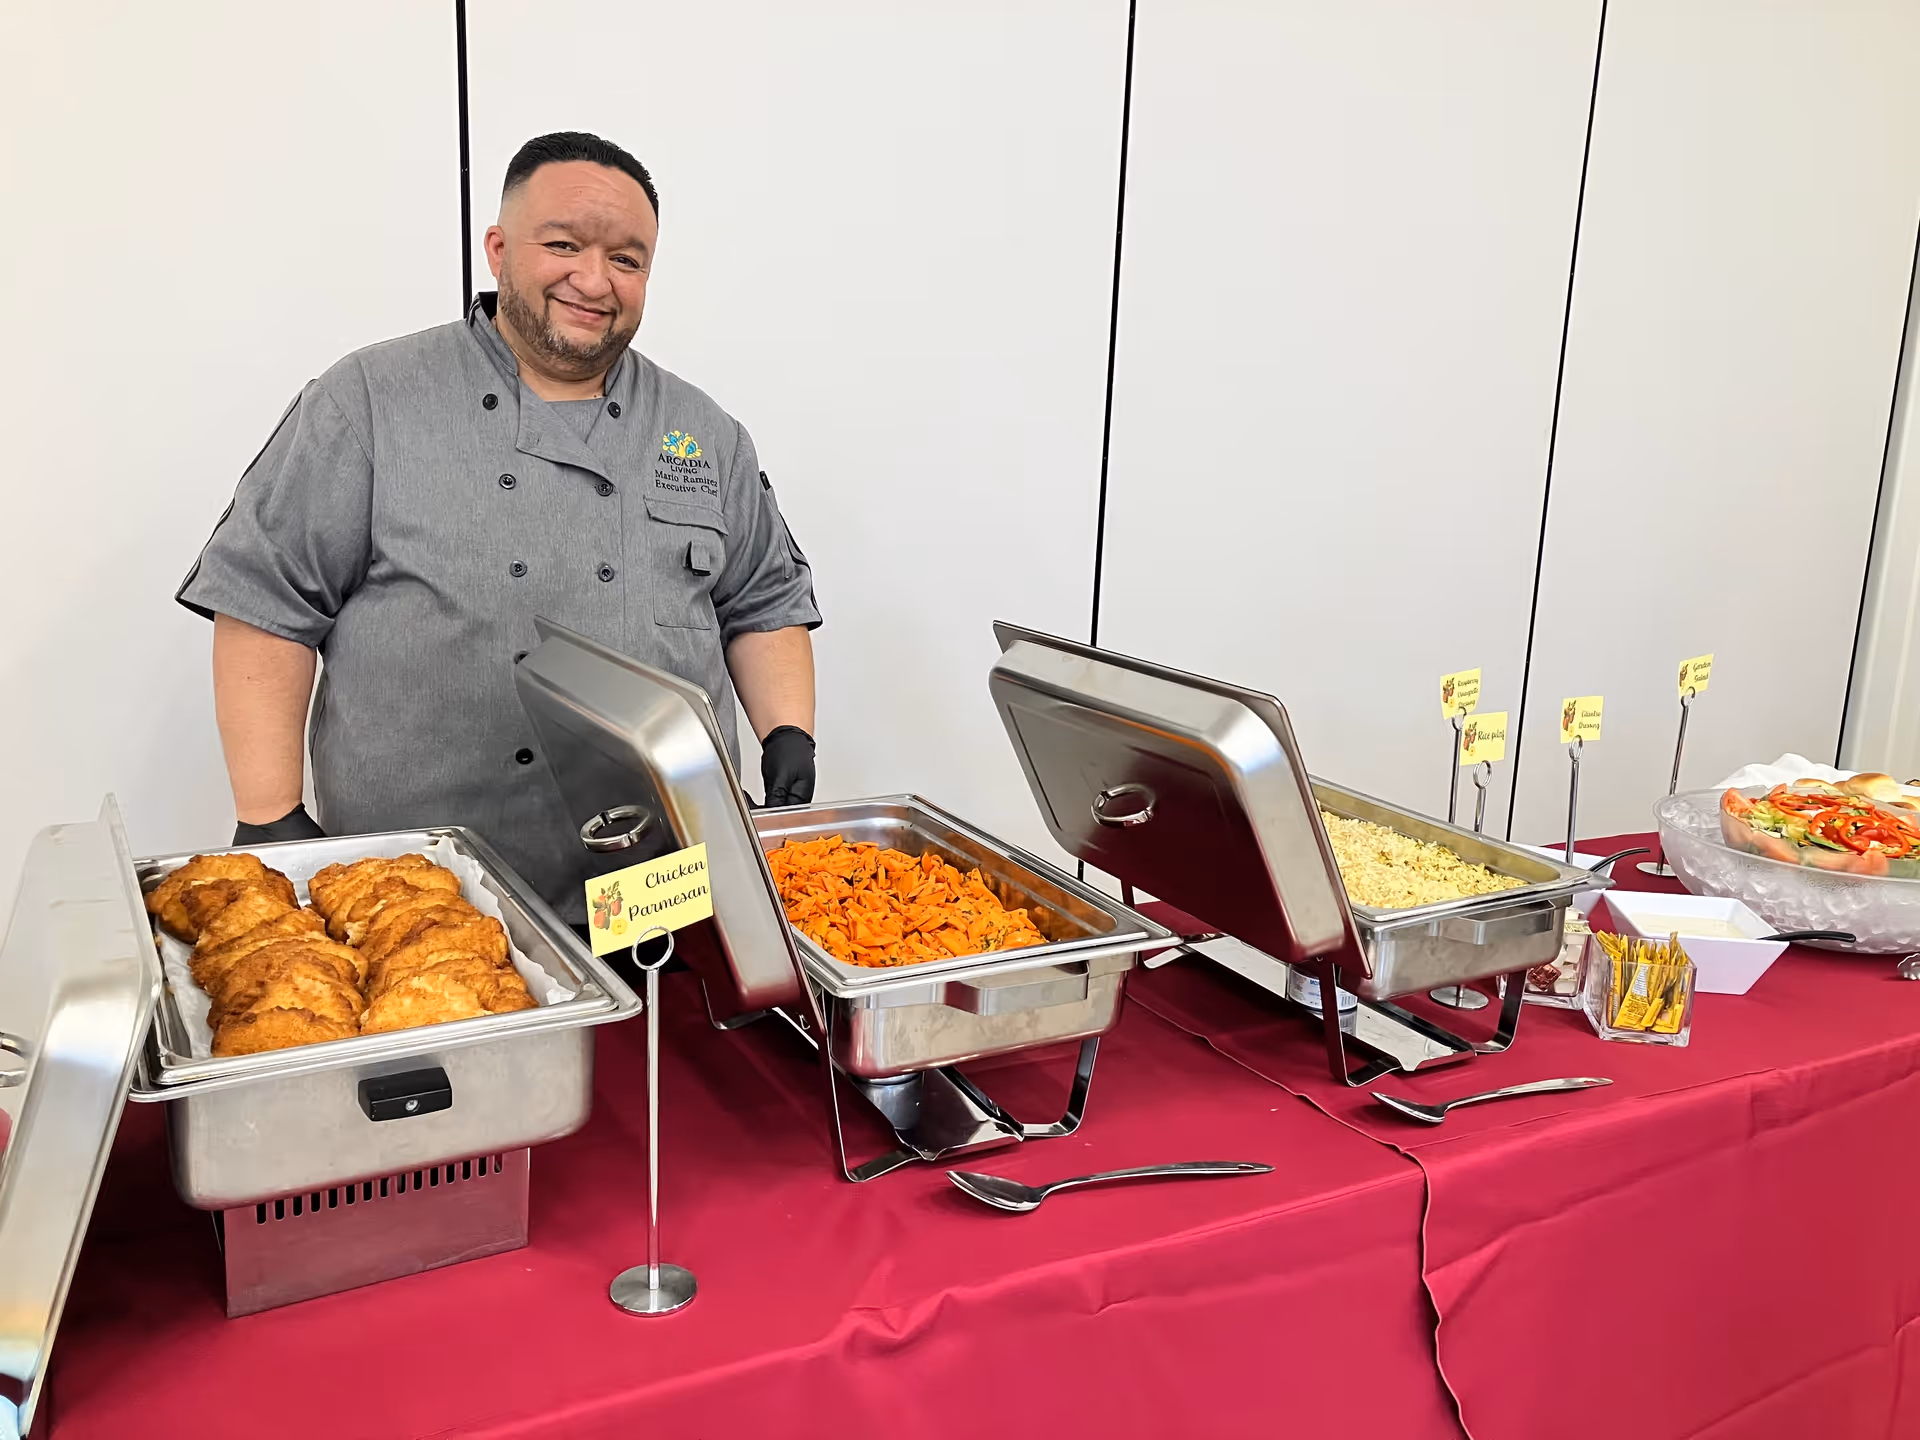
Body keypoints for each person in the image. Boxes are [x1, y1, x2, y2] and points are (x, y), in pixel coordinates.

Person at [177, 131, 821, 916]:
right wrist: (269, 814)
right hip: (424, 892)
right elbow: (266, 602)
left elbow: (763, 602)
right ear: (498, 248)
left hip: (663, 887)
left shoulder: (702, 431)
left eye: (627, 259)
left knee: (667, 1040)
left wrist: (787, 731)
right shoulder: (372, 401)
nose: (594, 279)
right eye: (563, 244)